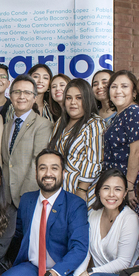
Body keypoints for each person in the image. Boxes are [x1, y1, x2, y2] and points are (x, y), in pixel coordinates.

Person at [0, 149, 89, 276]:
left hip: (62, 270)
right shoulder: (27, 200)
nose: (48, 174)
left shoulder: (75, 204)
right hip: (33, 266)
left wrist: (50, 275)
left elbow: (79, 248)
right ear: (36, 172)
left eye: (54, 168)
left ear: (63, 173)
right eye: (43, 168)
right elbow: (17, 234)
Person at [64, 169, 139, 276]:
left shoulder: (129, 218)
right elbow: (87, 252)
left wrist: (88, 274)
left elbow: (124, 262)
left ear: (125, 193)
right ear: (98, 191)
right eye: (106, 188)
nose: (111, 194)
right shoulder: (93, 214)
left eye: (117, 189)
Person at [48, 78, 105, 208]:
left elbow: (94, 162)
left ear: (87, 99)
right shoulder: (60, 123)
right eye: (68, 98)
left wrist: (81, 190)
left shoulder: (94, 124)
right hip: (60, 191)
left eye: (79, 98)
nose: (73, 102)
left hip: (83, 194)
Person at [1, 74, 53, 208]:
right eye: (17, 92)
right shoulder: (6, 126)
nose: (21, 96)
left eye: (27, 92)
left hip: (28, 197)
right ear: (10, 96)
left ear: (34, 98)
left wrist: (25, 195)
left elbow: (38, 162)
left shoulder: (43, 125)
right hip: (6, 198)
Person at [103, 70, 139, 212]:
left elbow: (137, 151)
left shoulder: (134, 112)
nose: (118, 91)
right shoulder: (119, 115)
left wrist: (128, 187)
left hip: (129, 186)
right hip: (116, 184)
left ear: (134, 92)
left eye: (124, 86)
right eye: (114, 86)